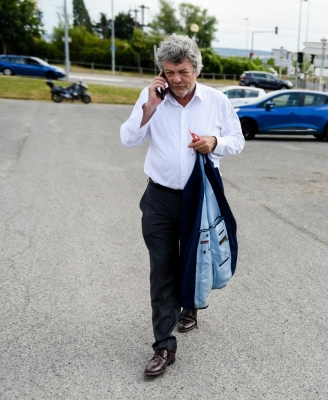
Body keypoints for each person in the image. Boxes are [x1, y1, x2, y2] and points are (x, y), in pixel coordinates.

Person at [120, 34, 245, 376]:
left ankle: (190, 305)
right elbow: (128, 139)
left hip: (200, 199)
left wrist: (214, 141)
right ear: (161, 71)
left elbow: (238, 140)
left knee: (195, 260)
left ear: (196, 69)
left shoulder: (217, 101)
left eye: (183, 71)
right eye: (169, 71)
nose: (176, 79)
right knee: (162, 268)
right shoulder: (152, 100)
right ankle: (164, 345)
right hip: (159, 198)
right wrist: (149, 108)